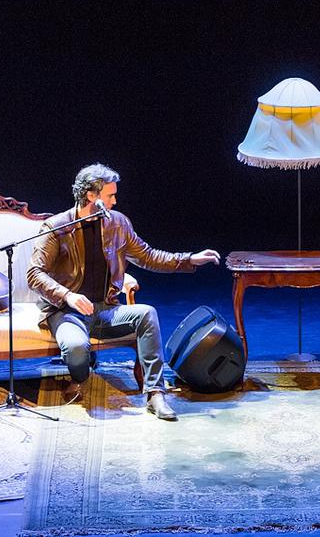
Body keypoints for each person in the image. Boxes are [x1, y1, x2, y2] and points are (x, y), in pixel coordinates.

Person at [27, 163, 220, 421]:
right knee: (75, 348)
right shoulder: (57, 227)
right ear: (91, 196)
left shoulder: (117, 223)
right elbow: (34, 273)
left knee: (146, 313)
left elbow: (148, 256)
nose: (115, 201)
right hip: (67, 312)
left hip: (105, 309)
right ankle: (81, 378)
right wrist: (68, 295)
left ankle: (155, 394)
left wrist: (189, 259)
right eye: (110, 195)